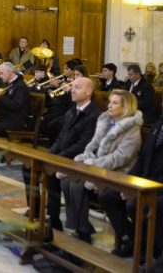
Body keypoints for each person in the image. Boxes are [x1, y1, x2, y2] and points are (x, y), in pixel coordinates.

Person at [61, 89, 143, 243]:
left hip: (116, 172)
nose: (109, 106)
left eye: (115, 103)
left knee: (78, 185)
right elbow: (94, 146)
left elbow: (119, 158)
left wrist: (92, 164)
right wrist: (87, 158)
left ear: (126, 107)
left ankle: (83, 232)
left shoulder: (132, 129)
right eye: (109, 102)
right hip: (97, 167)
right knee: (66, 181)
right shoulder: (106, 121)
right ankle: (80, 226)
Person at [23, 77, 100, 229]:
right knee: (28, 166)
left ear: (89, 91)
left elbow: (83, 145)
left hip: (78, 160)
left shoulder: (94, 115)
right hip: (62, 156)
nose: (72, 90)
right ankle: (36, 209)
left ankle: (54, 217)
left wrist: (58, 157)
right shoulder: (71, 111)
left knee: (51, 172)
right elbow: (61, 137)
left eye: (77, 87)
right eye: (72, 86)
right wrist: (50, 154)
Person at [98, 116, 163, 258]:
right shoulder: (158, 125)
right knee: (107, 196)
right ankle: (133, 240)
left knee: (134, 204)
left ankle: (151, 249)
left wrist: (140, 190)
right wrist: (127, 183)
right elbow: (142, 159)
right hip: (144, 182)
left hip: (158, 189)